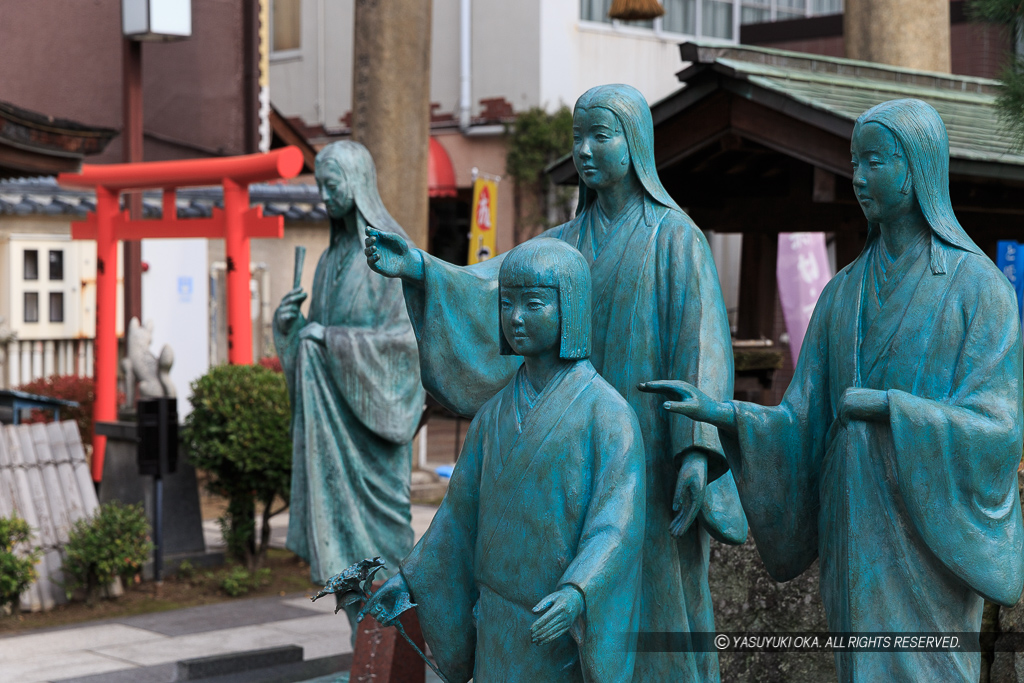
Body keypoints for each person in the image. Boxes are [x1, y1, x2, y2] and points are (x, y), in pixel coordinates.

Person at [365, 83, 747, 681]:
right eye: (578, 138)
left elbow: (702, 352)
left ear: (636, 143)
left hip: (651, 449)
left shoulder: (676, 239)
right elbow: (494, 285)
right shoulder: (563, 243)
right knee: (554, 598)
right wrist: (420, 267)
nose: (586, 151)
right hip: (565, 456)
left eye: (602, 135)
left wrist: (697, 452)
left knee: (651, 595)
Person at [641, 98, 1024, 683]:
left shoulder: (980, 289)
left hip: (927, 534)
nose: (860, 178)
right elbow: (800, 420)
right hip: (853, 518)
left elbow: (998, 428)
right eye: (855, 163)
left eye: (876, 161)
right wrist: (724, 414)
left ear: (919, 167)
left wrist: (892, 409)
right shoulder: (842, 293)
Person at [361, 238, 645, 683]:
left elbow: (617, 524)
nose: (515, 318)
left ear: (569, 307)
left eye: (533, 304)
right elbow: (458, 514)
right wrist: (410, 580)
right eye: (507, 303)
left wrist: (578, 591)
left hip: (555, 624)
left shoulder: (607, 415)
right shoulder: (493, 414)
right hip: (493, 619)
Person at [273, 141, 425, 632]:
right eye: (318, 185)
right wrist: (290, 332)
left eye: (330, 185)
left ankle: (401, 655)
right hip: (334, 429)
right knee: (346, 560)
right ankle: (366, 651)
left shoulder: (389, 250)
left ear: (357, 185)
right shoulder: (329, 260)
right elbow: (312, 348)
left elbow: (407, 343)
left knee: (388, 556)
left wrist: (330, 340)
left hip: (374, 431)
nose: (322, 196)